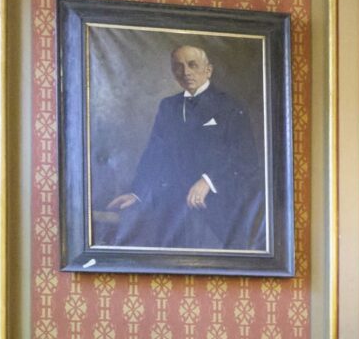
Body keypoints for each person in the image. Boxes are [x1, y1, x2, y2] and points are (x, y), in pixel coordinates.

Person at [104, 42, 264, 250]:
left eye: (192, 65)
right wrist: (137, 193)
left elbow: (246, 160)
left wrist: (208, 181)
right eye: (178, 66)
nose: (185, 72)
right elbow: (155, 154)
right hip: (174, 214)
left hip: (218, 212)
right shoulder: (168, 106)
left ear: (208, 70)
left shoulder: (231, 106)